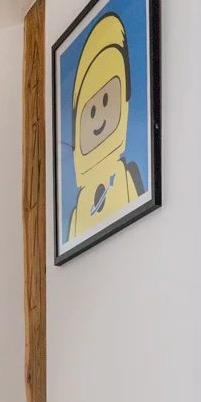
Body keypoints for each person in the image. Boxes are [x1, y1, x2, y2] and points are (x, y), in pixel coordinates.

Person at [67, 13, 144, 241]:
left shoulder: (125, 176)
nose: (99, 117)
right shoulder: (79, 210)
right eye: (91, 111)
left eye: (107, 100)